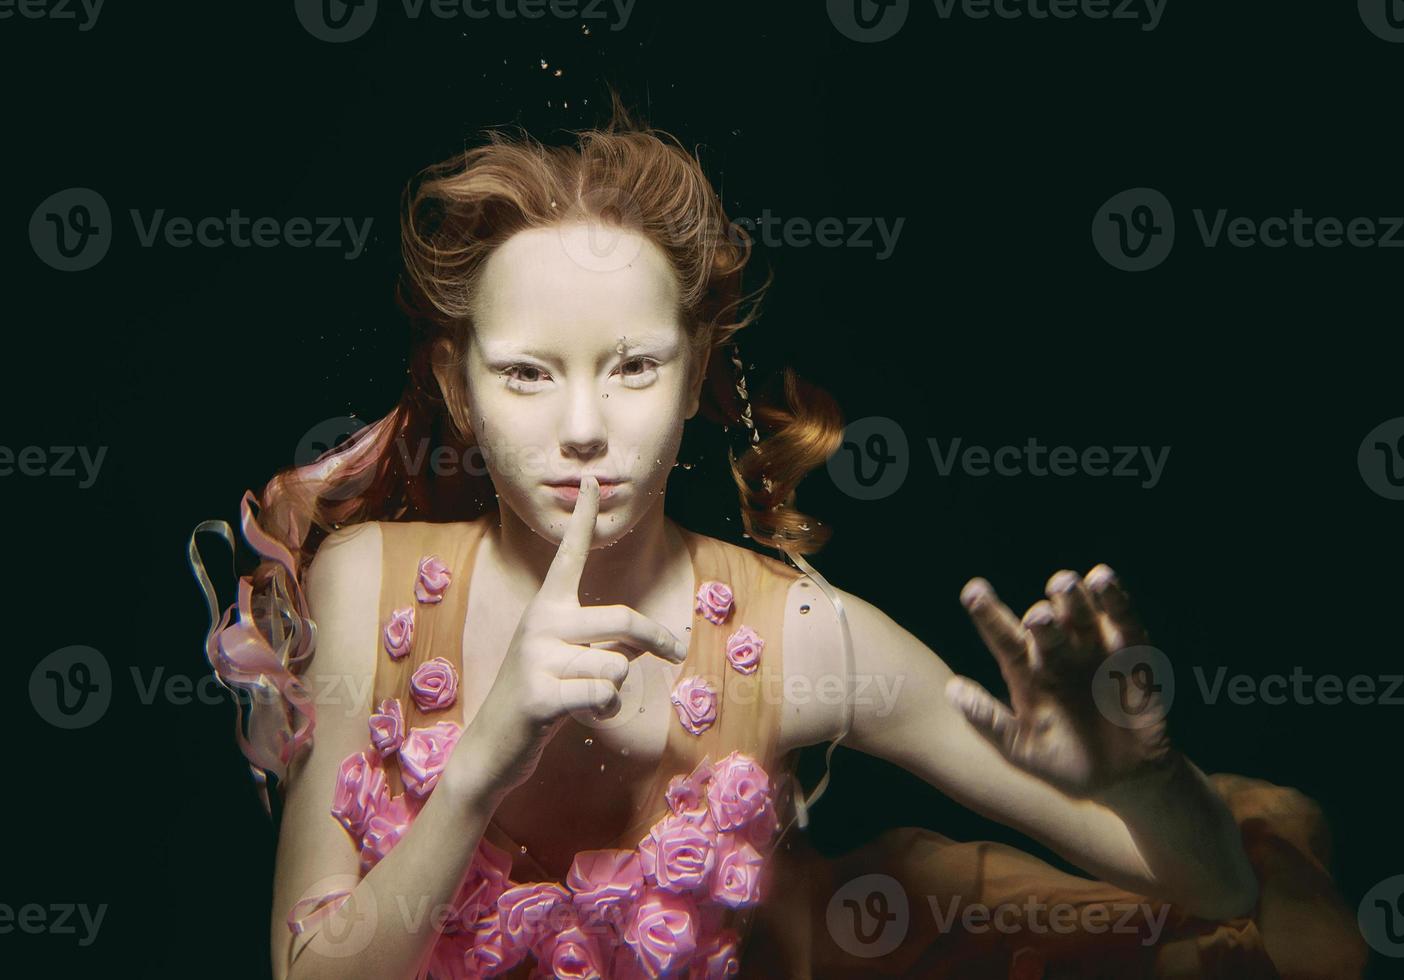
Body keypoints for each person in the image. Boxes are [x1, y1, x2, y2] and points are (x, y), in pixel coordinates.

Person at [189, 102, 1365, 979]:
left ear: (698, 369)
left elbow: (1215, 888)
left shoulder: (798, 632)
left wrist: (1147, 782)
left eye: (635, 366)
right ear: (455, 381)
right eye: (527, 373)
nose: (586, 427)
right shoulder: (365, 586)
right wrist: (484, 753)